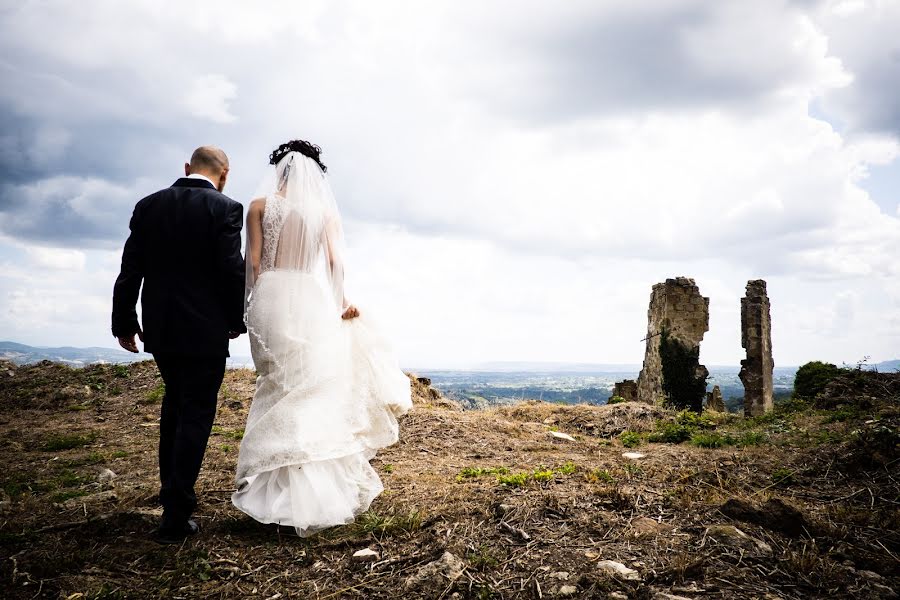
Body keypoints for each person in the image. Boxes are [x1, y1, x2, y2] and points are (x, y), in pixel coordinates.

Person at [232, 139, 411, 536]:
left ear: (278, 170)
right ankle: (312, 491)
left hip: (272, 298)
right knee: (309, 388)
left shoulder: (258, 206)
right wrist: (340, 300)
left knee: (276, 386)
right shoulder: (323, 211)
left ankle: (272, 493)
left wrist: (249, 308)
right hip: (310, 297)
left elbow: (254, 265)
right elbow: (334, 261)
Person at [111, 146, 246, 544]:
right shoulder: (226, 208)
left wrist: (124, 322)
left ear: (187, 168)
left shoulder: (148, 205)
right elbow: (230, 270)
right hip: (204, 330)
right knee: (197, 413)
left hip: (161, 327)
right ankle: (175, 511)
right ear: (225, 173)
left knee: (174, 406)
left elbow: (130, 267)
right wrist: (236, 321)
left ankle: (171, 492)